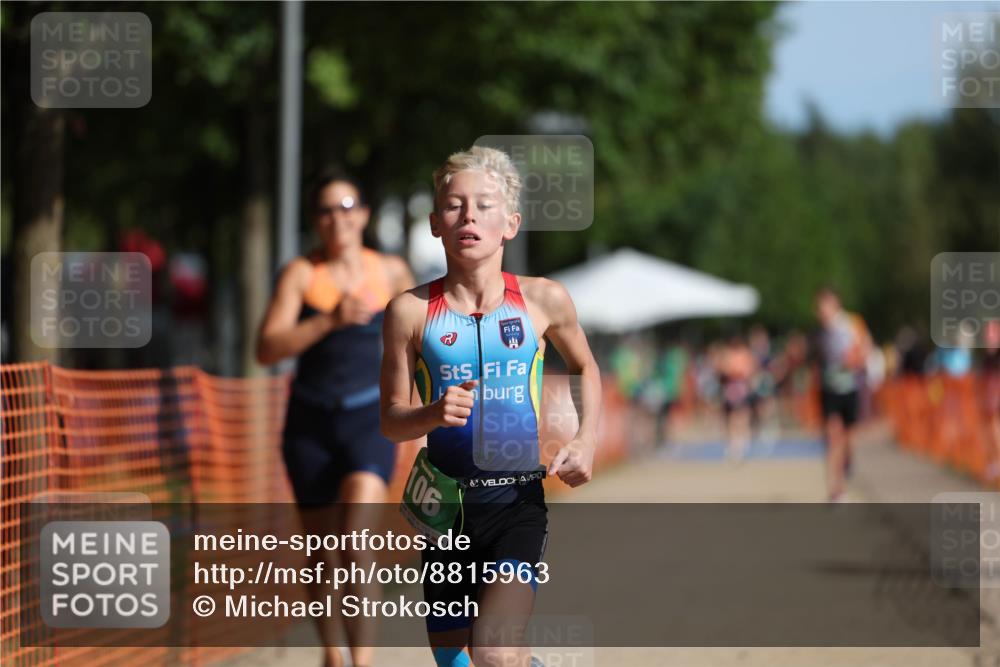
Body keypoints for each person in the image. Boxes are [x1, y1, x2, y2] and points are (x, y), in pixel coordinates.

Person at [380, 146, 601, 667]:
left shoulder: (543, 300)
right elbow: (390, 420)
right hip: (445, 513)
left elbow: (586, 366)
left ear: (511, 224)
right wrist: (432, 413)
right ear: (435, 224)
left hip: (516, 504)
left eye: (484, 205)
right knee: (460, 663)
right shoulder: (409, 312)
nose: (469, 216)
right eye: (454, 205)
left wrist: (585, 440)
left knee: (496, 652)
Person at [256, 168, 414, 667]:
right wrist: (328, 320)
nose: (336, 219)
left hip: (369, 421)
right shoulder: (301, 275)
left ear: (363, 215)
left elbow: (425, 336)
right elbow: (266, 348)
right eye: (325, 210)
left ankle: (361, 661)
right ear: (315, 220)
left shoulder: (391, 272)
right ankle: (332, 652)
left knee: (356, 540)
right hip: (310, 425)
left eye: (346, 207)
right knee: (322, 552)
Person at [813, 287, 872, 503]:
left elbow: (866, 349)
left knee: (849, 438)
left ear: (836, 305)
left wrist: (854, 360)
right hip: (829, 390)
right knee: (832, 437)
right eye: (818, 307)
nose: (821, 311)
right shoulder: (819, 331)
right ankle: (835, 489)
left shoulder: (853, 323)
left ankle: (848, 461)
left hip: (850, 387)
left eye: (824, 306)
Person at [715, 335, 758, 462]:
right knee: (731, 417)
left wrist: (738, 373)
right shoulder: (727, 355)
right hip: (730, 388)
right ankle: (733, 444)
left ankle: (741, 443)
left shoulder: (745, 354)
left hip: (740, 387)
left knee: (742, 416)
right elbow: (722, 370)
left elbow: (749, 371)